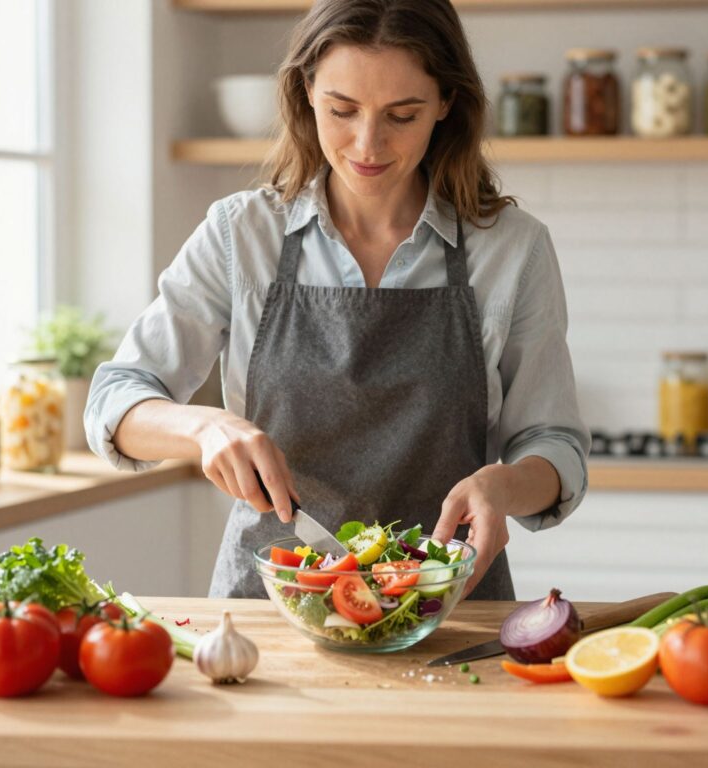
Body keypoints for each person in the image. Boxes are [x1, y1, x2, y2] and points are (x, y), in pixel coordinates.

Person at [85, 0, 589, 600]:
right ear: (306, 93)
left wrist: (503, 487)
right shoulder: (241, 235)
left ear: (447, 104)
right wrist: (203, 428)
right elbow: (116, 399)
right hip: (269, 612)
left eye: (402, 115)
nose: (367, 144)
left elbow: (554, 443)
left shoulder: (512, 250)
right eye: (341, 110)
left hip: (446, 612)